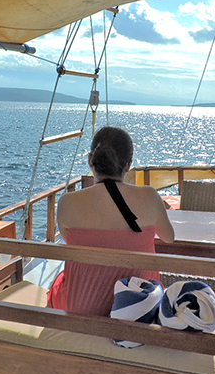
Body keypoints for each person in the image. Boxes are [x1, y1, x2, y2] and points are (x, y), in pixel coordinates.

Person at [47, 126, 174, 316]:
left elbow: (69, 241)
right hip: (136, 311)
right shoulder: (149, 196)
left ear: (91, 160)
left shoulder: (68, 202)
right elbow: (169, 238)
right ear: (128, 165)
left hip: (80, 310)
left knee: (58, 282)